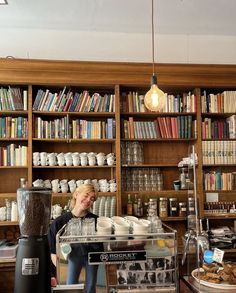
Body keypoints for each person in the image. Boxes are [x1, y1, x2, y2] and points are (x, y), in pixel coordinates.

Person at [48, 183, 102, 293]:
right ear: (76, 194)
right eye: (86, 195)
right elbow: (52, 251)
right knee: (70, 288)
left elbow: (102, 247)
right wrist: (63, 267)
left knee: (91, 287)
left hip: (91, 260)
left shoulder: (97, 221)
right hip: (69, 262)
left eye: (92, 199)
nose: (88, 200)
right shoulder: (59, 222)